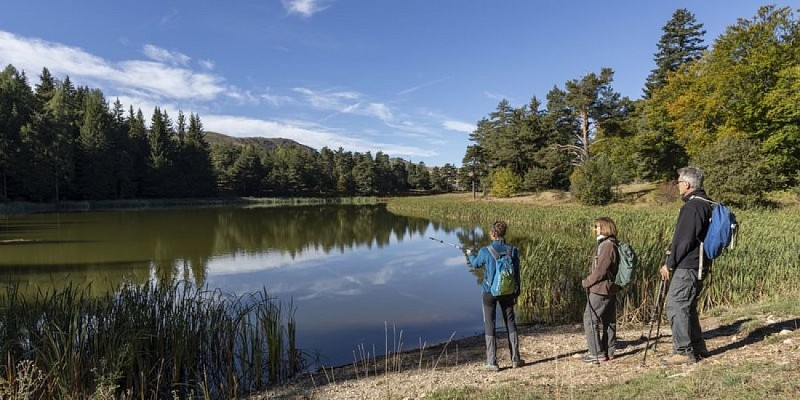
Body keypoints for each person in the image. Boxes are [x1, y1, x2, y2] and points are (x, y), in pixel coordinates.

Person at [659, 166, 714, 365]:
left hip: (688, 265)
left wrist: (669, 263)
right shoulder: (706, 203)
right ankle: (698, 347)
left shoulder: (692, 207)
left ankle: (682, 351)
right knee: (688, 307)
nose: (678, 185)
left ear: (688, 184)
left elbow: (684, 240)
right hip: (699, 263)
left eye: (679, 182)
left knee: (676, 306)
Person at [466, 220, 524, 371]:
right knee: (510, 322)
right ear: (503, 233)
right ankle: (516, 359)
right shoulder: (513, 250)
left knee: (489, 324)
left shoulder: (486, 251)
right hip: (509, 292)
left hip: (489, 293)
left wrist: (470, 254)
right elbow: (517, 274)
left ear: (492, 233)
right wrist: (517, 292)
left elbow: (476, 264)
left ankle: (492, 362)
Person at [580, 217, 620, 364]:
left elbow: (601, 270)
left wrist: (587, 282)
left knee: (590, 319)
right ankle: (609, 351)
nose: (595, 229)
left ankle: (596, 353)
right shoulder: (611, 244)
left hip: (601, 288)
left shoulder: (607, 246)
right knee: (609, 320)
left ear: (604, 228)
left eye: (597, 227)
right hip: (609, 288)